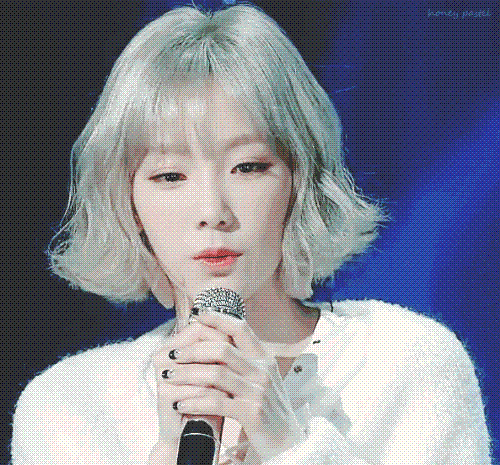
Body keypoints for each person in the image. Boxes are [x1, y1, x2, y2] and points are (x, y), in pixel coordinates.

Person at [11, 4, 491, 464]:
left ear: (300, 183)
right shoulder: (68, 406)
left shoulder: (408, 360)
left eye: (248, 167)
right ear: (129, 203)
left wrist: (287, 444)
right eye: (170, 176)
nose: (212, 212)